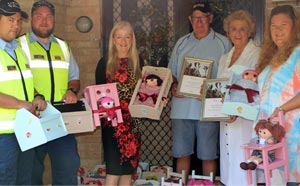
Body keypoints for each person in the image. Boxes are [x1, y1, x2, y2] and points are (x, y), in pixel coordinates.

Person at [17, 0, 80, 185]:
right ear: (31, 20)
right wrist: (36, 95)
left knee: (68, 168)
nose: (44, 21)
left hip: (61, 119)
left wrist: (71, 90)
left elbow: (74, 77)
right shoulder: (18, 45)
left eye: (48, 17)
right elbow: (18, 79)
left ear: (54, 20)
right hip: (31, 119)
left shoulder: (63, 46)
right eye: (39, 16)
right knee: (31, 174)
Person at [168, 2, 232, 182]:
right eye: (195, 17)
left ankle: (208, 185)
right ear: (190, 19)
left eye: (203, 17)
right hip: (181, 108)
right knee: (181, 154)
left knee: (208, 155)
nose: (199, 21)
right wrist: (174, 86)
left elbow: (228, 75)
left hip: (208, 110)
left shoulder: (223, 43)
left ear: (210, 19)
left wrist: (212, 87)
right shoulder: (182, 42)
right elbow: (171, 73)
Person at [0, 0, 47, 185]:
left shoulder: (17, 50)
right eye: (10, 20)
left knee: (25, 181)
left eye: (18, 21)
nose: (16, 25)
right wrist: (20, 103)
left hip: (25, 130)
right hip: (3, 136)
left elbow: (24, 84)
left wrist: (36, 97)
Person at [256, 5, 300, 185]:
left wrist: (281, 109)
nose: (278, 30)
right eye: (273, 25)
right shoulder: (270, 57)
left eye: (283, 24)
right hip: (272, 134)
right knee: (276, 179)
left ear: (295, 26)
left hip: (294, 133)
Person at [216, 10, 261, 185]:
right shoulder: (224, 58)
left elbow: (257, 87)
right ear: (228, 33)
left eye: (242, 29)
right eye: (233, 29)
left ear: (249, 32)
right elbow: (219, 87)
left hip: (245, 118)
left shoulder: (257, 54)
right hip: (225, 118)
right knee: (228, 165)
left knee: (244, 163)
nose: (238, 33)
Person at [95, 21, 142, 185]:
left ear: (132, 39)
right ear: (113, 40)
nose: (123, 41)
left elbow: (145, 93)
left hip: (133, 124)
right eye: (119, 37)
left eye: (127, 37)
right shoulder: (105, 62)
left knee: (128, 172)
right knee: (113, 172)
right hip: (112, 125)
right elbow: (98, 97)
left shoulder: (138, 62)